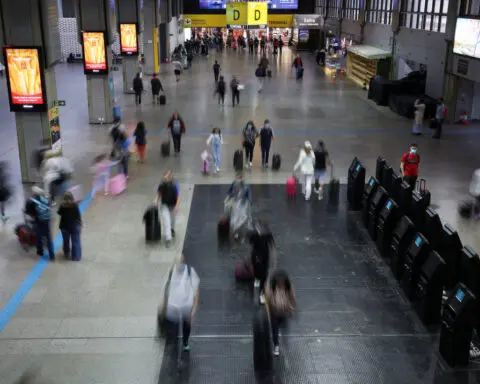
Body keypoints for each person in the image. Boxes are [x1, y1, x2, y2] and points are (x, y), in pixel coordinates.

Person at [163, 254, 200, 362]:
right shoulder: (172, 272)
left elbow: (196, 290)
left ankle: (185, 341)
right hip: (173, 308)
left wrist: (194, 309)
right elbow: (167, 289)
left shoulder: (189, 272)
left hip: (186, 307)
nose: (178, 264)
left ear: (183, 262)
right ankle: (174, 355)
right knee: (173, 333)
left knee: (186, 327)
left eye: (179, 262)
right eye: (176, 262)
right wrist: (165, 305)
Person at [265, 269, 296, 356]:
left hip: (284, 312)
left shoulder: (288, 288)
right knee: (275, 330)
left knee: (284, 327)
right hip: (274, 312)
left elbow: (292, 297)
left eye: (282, 281)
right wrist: (267, 311)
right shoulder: (271, 288)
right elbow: (267, 300)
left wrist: (292, 307)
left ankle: (283, 340)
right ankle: (276, 345)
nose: (280, 283)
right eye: (279, 281)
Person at [250, 220, 275, 304]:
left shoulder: (267, 235)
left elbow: (271, 245)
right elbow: (250, 245)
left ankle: (262, 293)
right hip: (256, 255)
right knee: (258, 270)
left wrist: (273, 257)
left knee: (264, 274)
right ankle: (257, 279)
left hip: (264, 255)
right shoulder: (253, 234)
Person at [26, 186, 54, 260]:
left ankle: (40, 252)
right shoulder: (45, 199)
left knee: (38, 237)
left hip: (38, 221)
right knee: (48, 238)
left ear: (33, 193)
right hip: (47, 221)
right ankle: (52, 255)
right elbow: (50, 206)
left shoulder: (31, 200)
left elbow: (28, 211)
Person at [155, 170, 180, 248]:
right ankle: (168, 238)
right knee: (167, 221)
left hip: (172, 204)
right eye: (165, 176)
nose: (166, 178)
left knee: (172, 220)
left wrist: (176, 206)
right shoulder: (161, 184)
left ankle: (172, 229)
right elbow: (159, 193)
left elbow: (178, 196)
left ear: (171, 177)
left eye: (168, 176)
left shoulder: (175, 184)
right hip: (164, 205)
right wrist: (156, 200)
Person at [226, 173, 252, 239]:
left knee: (242, 217)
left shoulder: (246, 186)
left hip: (242, 203)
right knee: (235, 218)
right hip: (235, 203)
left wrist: (249, 200)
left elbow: (249, 194)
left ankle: (238, 229)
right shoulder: (234, 184)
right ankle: (236, 231)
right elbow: (229, 191)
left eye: (240, 178)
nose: (239, 180)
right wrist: (228, 197)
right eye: (238, 178)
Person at [57, 191, 82, 261]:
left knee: (66, 241)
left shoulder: (62, 206)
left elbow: (59, 213)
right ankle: (76, 257)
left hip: (64, 226)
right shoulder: (75, 205)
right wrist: (80, 224)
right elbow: (78, 216)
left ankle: (66, 253)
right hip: (74, 226)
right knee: (76, 242)